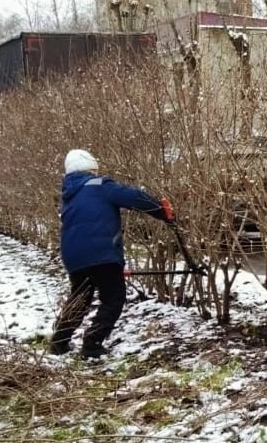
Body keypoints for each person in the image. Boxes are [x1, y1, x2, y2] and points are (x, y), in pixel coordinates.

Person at [49, 149, 175, 361]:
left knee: (80, 298)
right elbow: (133, 197)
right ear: (91, 169)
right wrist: (161, 211)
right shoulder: (99, 186)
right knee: (113, 298)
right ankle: (92, 344)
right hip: (101, 252)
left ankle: (59, 342)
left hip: (74, 256)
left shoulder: (68, 195)